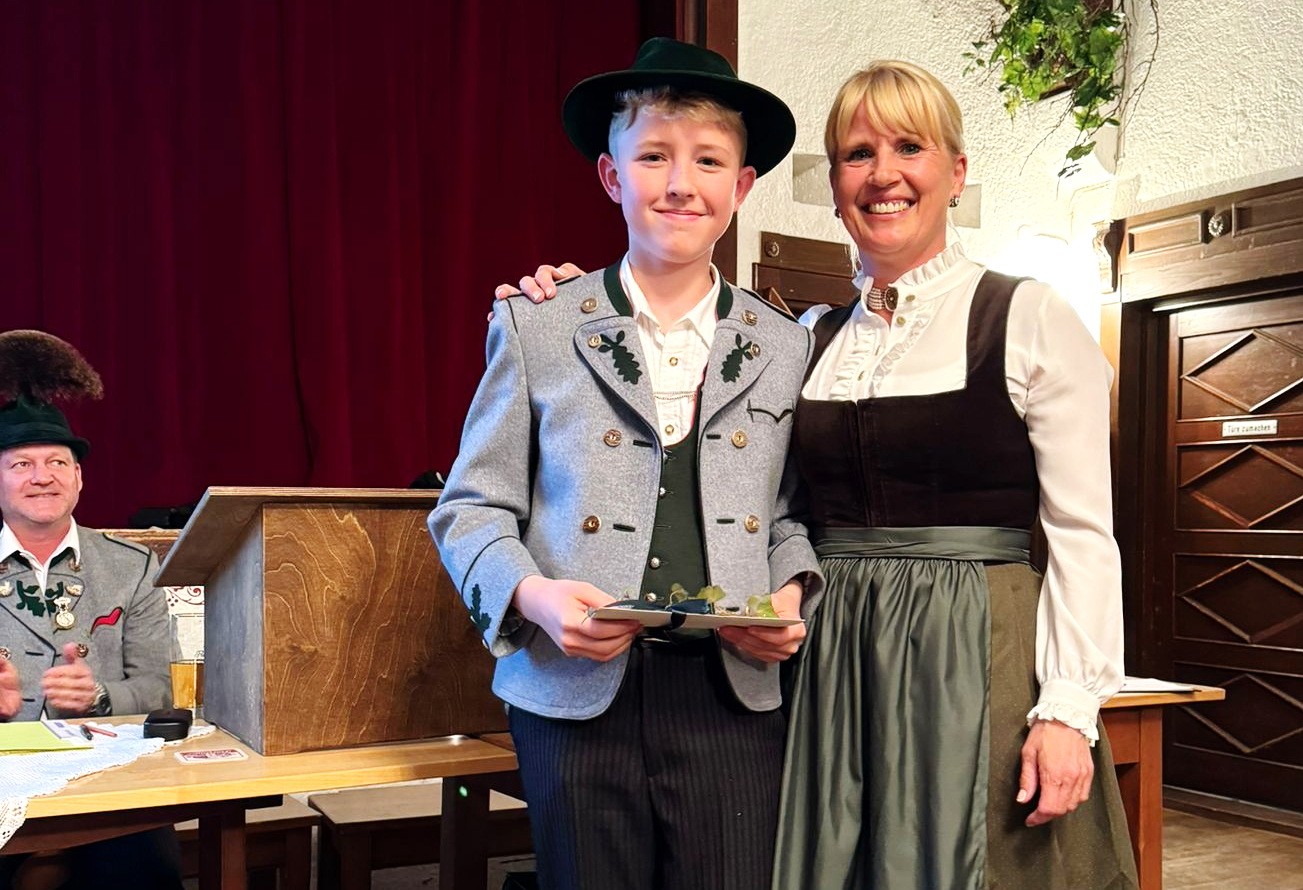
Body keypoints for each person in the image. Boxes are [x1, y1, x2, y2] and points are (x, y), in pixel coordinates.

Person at [501, 60, 1137, 890]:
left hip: (969, 652)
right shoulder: (804, 337)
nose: (882, 174)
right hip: (825, 662)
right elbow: (779, 507)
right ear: (833, 186)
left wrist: (1068, 710)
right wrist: (563, 301)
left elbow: (1083, 534)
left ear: (955, 172)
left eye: (909, 147)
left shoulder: (1029, 315)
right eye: (856, 154)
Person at [429, 37, 822, 890]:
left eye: (707, 160)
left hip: (731, 693)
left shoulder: (785, 345)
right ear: (611, 176)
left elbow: (789, 514)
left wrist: (789, 595)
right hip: (571, 690)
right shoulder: (537, 323)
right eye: (652, 156)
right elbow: (468, 507)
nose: (680, 183)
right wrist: (533, 597)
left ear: (740, 187)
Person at [0, 330, 180, 890]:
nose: (42, 476)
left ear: (79, 477)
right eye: (21, 464)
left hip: (107, 778)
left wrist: (101, 696)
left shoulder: (132, 566)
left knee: (144, 873)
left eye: (58, 461)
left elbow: (161, 686)